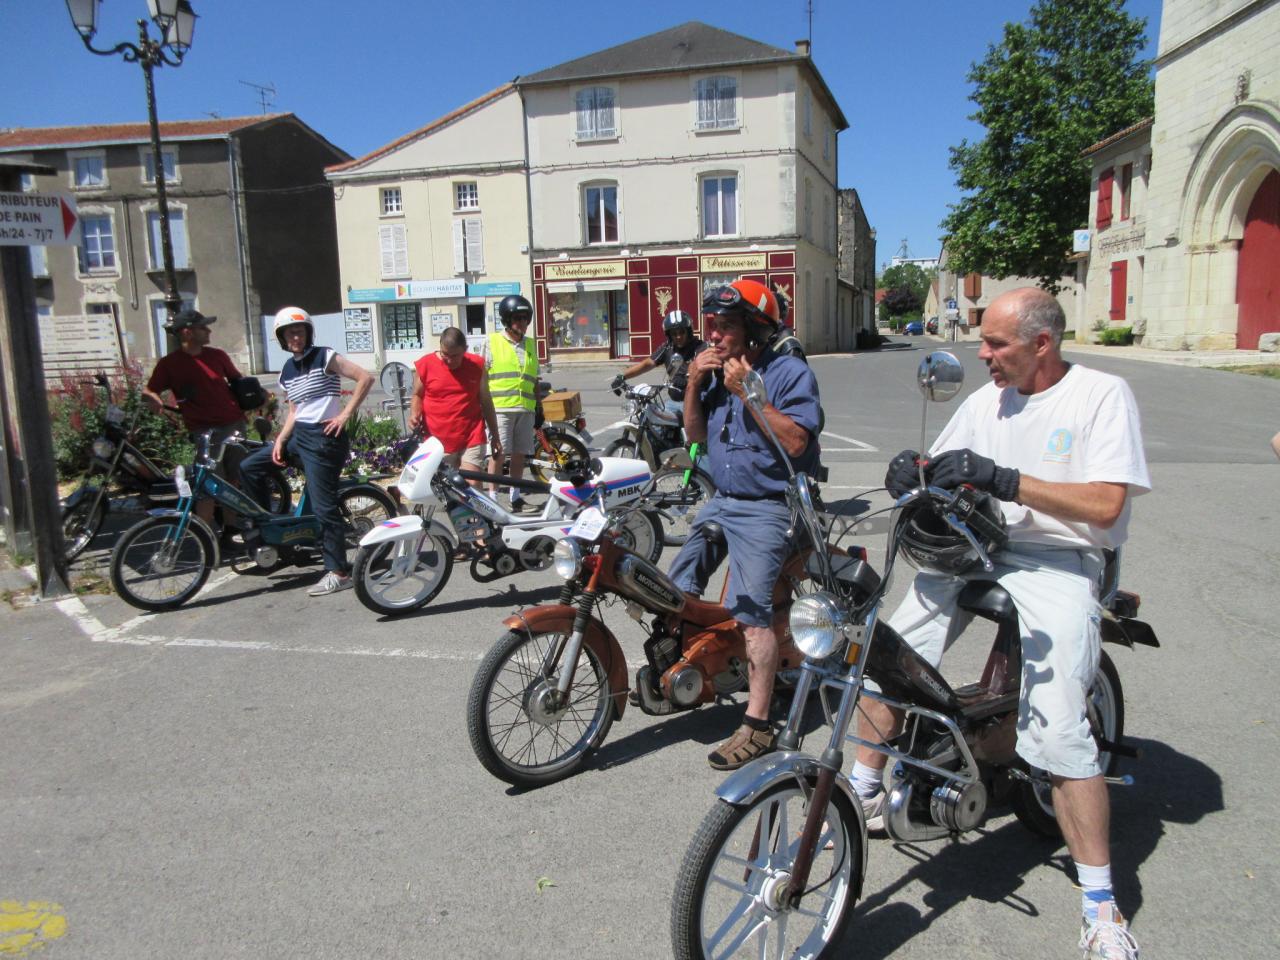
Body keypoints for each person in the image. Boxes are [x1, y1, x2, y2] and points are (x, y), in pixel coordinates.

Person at [856, 287, 1150, 960]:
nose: (981, 354)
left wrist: (1008, 480)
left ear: (1041, 345)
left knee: (1058, 721)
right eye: (983, 343)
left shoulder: (1101, 395)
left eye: (995, 344)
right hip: (976, 546)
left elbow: (1105, 504)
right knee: (888, 651)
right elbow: (944, 469)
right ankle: (863, 790)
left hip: (1061, 556)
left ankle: (1101, 904)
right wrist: (910, 472)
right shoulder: (984, 399)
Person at [666, 278, 822, 770]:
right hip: (722, 499)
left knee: (753, 615)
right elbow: (694, 434)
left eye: (726, 326)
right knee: (673, 589)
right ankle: (701, 665)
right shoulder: (713, 374)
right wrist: (694, 382)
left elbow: (796, 442)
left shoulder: (788, 372)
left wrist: (749, 394)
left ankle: (758, 726)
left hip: (768, 506)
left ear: (755, 330)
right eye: (713, 325)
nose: (714, 335)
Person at [239, 306, 373, 597]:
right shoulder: (287, 370)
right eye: (289, 333)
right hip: (299, 435)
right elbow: (293, 410)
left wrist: (344, 415)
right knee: (250, 467)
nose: (295, 337)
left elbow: (365, 378)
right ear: (282, 338)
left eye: (298, 331)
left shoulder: (324, 356)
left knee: (325, 507)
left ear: (308, 332)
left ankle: (338, 571)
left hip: (324, 438)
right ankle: (266, 531)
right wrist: (280, 440)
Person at [141, 308, 248, 532]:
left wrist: (255, 396)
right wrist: (153, 400)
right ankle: (206, 534)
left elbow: (238, 381)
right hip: (205, 432)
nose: (208, 330)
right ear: (187, 333)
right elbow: (149, 390)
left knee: (233, 481)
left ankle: (231, 530)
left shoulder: (218, 355)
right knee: (208, 485)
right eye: (203, 327)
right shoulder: (169, 364)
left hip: (233, 425)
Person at [409, 327, 502, 487]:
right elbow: (417, 395)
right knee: (448, 488)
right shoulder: (425, 365)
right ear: (440, 347)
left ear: (465, 350)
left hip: (471, 435)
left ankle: (477, 512)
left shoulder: (476, 365)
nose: (450, 361)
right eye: (445, 355)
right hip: (438, 440)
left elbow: (486, 401)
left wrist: (495, 436)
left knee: (471, 484)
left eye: (455, 356)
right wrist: (414, 413)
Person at [481, 295, 539, 513]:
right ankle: (493, 499)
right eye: (517, 318)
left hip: (525, 409)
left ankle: (515, 497)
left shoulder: (531, 345)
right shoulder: (492, 342)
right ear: (507, 319)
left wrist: (538, 407)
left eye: (526, 318)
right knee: (497, 454)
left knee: (520, 455)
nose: (522, 323)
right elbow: (482, 377)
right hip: (500, 409)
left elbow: (534, 380)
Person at [610, 310, 705, 407]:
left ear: (689, 332)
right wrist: (622, 376)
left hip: (698, 400)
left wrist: (687, 379)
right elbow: (647, 364)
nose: (678, 336)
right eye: (674, 334)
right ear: (669, 335)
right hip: (675, 401)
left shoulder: (700, 347)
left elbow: (703, 370)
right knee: (653, 415)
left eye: (682, 332)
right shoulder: (668, 347)